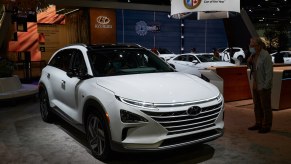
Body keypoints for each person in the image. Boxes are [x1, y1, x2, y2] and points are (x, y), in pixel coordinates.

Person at [247, 37, 273, 134]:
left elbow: (269, 73)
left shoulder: (265, 56)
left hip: (263, 85)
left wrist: (266, 86)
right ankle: (258, 123)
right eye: (250, 45)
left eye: (252, 45)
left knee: (265, 106)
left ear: (259, 46)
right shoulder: (253, 55)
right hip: (256, 84)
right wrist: (249, 62)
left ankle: (266, 125)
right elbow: (252, 69)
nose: (250, 47)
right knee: (257, 105)